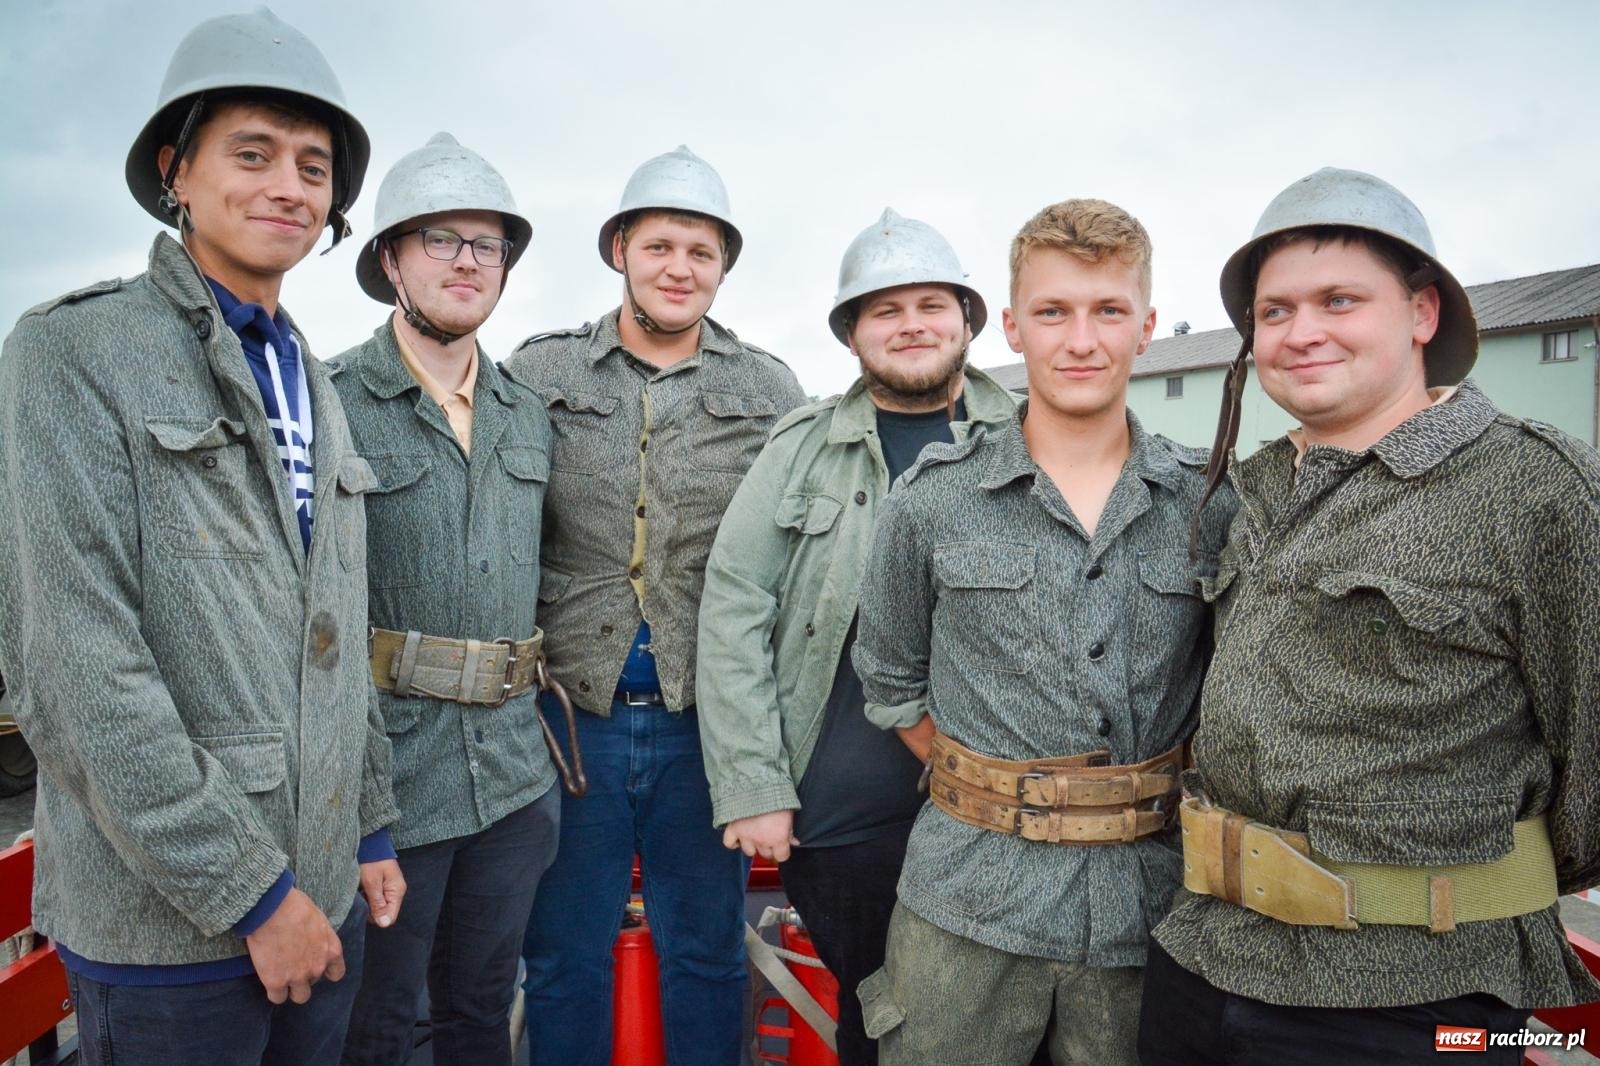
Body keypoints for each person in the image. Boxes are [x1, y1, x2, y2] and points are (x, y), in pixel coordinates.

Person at [0, 9, 402, 1065]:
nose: (288, 187)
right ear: (176, 170)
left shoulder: (312, 377)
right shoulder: (75, 351)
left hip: (322, 895)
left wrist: (364, 826)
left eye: (313, 167)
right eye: (252, 154)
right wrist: (252, 894)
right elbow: (73, 668)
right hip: (174, 934)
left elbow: (337, 624)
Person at [1140, 167, 1600, 1066]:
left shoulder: (1538, 490)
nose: (1302, 332)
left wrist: (1450, 889)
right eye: (1275, 312)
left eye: (1340, 300)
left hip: (1421, 997)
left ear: (1422, 313)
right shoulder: (1254, 490)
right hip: (1203, 958)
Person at [851, 199, 1233, 1065]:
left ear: (1146, 327)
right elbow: (891, 677)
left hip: (1152, 908)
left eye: (1109, 311)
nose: (1081, 340)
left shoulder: (1210, 503)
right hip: (966, 904)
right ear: (1014, 327)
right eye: (1054, 312)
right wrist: (1004, 795)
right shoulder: (932, 499)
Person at [505, 145, 807, 1066]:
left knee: (707, 954)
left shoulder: (768, 388)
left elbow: (796, 555)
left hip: (703, 724)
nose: (680, 269)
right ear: (620, 251)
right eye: (660, 247)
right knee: (563, 956)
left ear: (723, 267)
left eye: (701, 252)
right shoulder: (540, 369)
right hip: (571, 721)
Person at [696, 208, 1016, 1065]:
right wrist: (755, 787)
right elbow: (733, 609)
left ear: (968, 320)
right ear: (850, 333)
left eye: (932, 305)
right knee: (881, 1024)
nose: (911, 325)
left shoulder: (1027, 437)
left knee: (1005, 1030)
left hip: (998, 807)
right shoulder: (801, 448)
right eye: (885, 310)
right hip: (845, 815)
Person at [333, 132, 572, 1066]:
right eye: (439, 239)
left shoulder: (527, 415)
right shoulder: (332, 400)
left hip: (513, 777)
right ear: (391, 260)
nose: (467, 261)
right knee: (380, 1025)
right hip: (390, 780)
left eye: (488, 244)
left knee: (481, 1012)